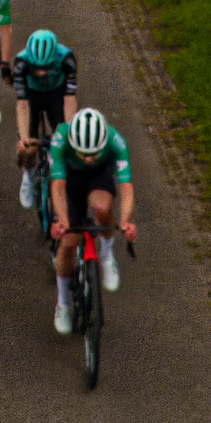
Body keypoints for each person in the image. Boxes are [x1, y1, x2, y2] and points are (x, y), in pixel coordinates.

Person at [44, 101, 137, 329]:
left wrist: (125, 221)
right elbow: (57, 187)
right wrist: (64, 222)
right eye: (83, 153)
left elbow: (126, 189)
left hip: (99, 177)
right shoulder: (60, 139)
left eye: (94, 153)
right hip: (70, 182)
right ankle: (63, 302)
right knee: (69, 241)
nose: (88, 158)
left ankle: (106, 254)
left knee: (104, 209)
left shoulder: (116, 142)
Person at [11, 23, 77, 203]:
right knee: (28, 146)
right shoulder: (21, 62)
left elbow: (69, 99)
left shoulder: (66, 59)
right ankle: (29, 175)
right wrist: (24, 139)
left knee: (66, 142)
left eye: (46, 66)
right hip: (32, 96)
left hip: (57, 93)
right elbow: (22, 104)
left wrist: (68, 132)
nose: (41, 72)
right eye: (36, 67)